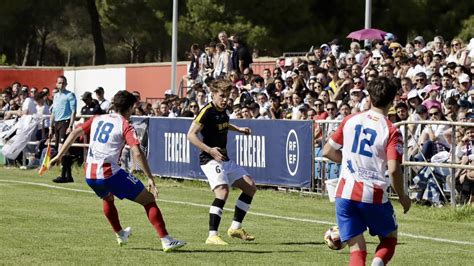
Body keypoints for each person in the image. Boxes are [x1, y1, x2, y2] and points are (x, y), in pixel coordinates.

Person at [49, 90, 186, 252]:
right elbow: (136, 152)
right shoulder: (125, 124)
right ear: (129, 108)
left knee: (107, 198)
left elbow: (74, 132)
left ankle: (121, 234)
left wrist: (59, 155)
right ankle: (166, 240)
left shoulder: (97, 118)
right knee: (148, 200)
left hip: (90, 174)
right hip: (108, 172)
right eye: (133, 108)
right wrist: (150, 177)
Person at [323, 77, 411, 266]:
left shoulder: (350, 120)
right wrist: (403, 197)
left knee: (356, 250)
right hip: (373, 195)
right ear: (392, 101)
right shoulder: (391, 130)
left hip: (344, 194)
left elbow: (328, 151)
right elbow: (394, 170)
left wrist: (348, 161)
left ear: (369, 97)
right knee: (389, 238)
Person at [187, 79, 257, 245]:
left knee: (250, 187)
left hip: (224, 158)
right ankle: (212, 235)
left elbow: (223, 123)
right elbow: (191, 135)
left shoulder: (223, 111)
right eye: (222, 96)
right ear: (213, 94)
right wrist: (210, 150)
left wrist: (238, 129)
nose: (225, 99)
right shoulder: (207, 111)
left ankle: (235, 228)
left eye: (228, 96)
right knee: (223, 192)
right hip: (210, 159)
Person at [49, 75, 77, 183]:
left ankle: (63, 176)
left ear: (66, 84)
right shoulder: (56, 96)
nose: (61, 84)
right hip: (57, 123)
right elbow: (53, 112)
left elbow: (74, 111)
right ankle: (69, 176)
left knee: (62, 149)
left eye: (63, 83)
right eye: (59, 82)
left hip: (65, 123)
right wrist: (51, 127)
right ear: (56, 84)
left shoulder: (70, 95)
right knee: (63, 150)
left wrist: (70, 125)